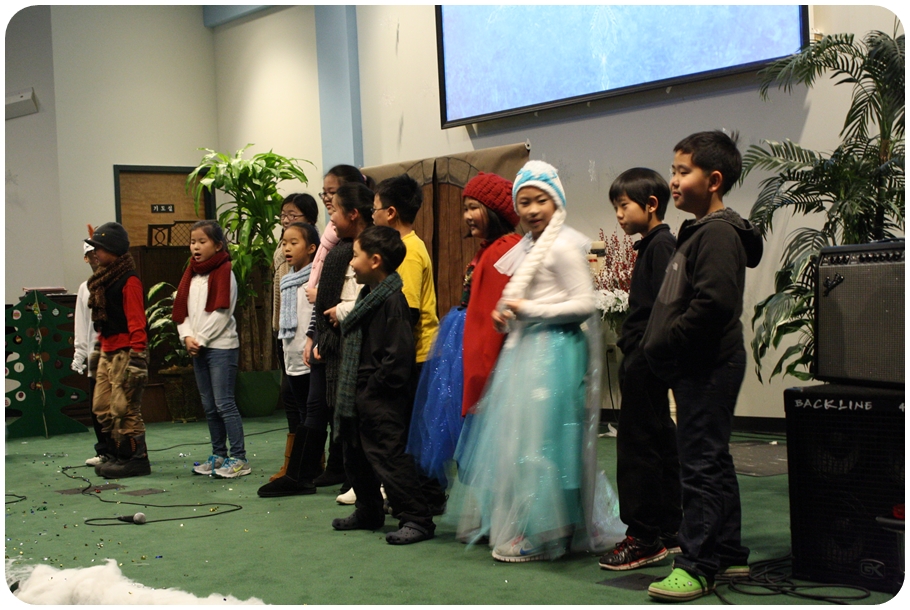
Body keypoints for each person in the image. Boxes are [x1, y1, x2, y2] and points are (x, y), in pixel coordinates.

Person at [446, 160, 622, 562]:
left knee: (548, 442)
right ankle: (537, 523)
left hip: (555, 354)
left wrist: (530, 311)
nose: (532, 209)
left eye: (540, 200)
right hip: (527, 354)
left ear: (557, 201)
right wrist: (508, 317)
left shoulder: (562, 246)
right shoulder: (526, 247)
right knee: (523, 440)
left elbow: (584, 303)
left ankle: (549, 530)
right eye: (524, 202)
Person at [643, 131, 763, 602]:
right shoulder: (701, 231)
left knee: (699, 466)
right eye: (673, 171)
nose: (673, 181)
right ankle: (729, 553)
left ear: (713, 180)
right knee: (713, 458)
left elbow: (714, 305)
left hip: (706, 365)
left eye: (683, 171)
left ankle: (696, 566)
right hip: (701, 364)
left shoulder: (716, 234)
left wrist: (670, 343)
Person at [406, 172, 521, 489]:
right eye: (465, 208)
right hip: (464, 339)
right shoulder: (488, 248)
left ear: (494, 211)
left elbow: (497, 307)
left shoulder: (505, 249)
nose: (467, 216)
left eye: (474, 207)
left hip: (484, 342)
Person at [331, 224, 436, 545]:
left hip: (381, 397)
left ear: (375, 260)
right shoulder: (369, 296)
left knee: (389, 457)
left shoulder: (392, 300)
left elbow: (398, 356)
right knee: (355, 456)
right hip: (360, 393)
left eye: (356, 256)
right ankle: (368, 510)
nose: (351, 263)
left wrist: (373, 388)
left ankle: (417, 518)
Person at [598, 168, 681, 571]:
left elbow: (666, 309)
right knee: (658, 441)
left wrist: (642, 351)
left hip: (647, 361)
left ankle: (644, 537)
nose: (618, 215)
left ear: (650, 205)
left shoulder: (661, 246)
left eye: (623, 205)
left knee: (638, 448)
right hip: (648, 359)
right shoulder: (653, 245)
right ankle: (668, 528)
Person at [310, 166, 374, 496]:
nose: (331, 218)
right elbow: (324, 304)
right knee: (342, 414)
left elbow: (371, 296)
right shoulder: (337, 253)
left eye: (335, 209)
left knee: (361, 416)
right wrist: (323, 337)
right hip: (338, 345)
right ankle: (352, 478)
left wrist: (342, 314)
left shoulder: (369, 248)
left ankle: (364, 481)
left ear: (353, 213)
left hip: (361, 345)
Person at [174, 220, 249, 478]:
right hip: (197, 348)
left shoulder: (225, 272)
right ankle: (219, 455)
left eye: (201, 242)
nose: (195, 247)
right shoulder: (191, 275)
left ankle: (239, 458)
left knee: (224, 403)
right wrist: (186, 337)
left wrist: (201, 339)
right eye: (192, 242)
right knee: (208, 405)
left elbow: (221, 313)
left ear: (217, 245)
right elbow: (181, 310)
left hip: (220, 347)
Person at [258, 222, 325, 497]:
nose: (287, 248)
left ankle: (308, 470)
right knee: (300, 411)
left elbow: (316, 318)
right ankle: (305, 467)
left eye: (294, 243)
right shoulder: (286, 280)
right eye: (284, 243)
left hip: (311, 356)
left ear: (311, 248)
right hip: (291, 356)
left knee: (315, 413)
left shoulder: (316, 281)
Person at [84, 222, 151, 479]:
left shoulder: (129, 281)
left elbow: (137, 321)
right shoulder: (102, 280)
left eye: (99, 248)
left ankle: (136, 459)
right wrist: (99, 349)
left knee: (124, 408)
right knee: (102, 407)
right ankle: (116, 454)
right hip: (107, 350)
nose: (95, 253)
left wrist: (137, 357)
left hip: (126, 351)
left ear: (113, 249)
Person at [269, 193, 320, 481]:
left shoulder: (317, 275)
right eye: (283, 215)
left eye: (293, 215)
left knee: (312, 409)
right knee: (293, 401)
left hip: (310, 349)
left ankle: (308, 464)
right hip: (287, 342)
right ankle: (296, 463)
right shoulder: (286, 268)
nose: (287, 247)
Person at [371, 174, 439, 371]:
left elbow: (407, 312)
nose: (372, 216)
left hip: (418, 355)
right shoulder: (403, 247)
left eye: (374, 209)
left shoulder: (408, 251)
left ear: (390, 213)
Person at [72, 233, 104, 466]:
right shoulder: (85, 288)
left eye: (96, 253)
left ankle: (124, 450)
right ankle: (104, 450)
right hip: (95, 355)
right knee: (97, 406)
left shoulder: (114, 283)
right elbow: (81, 324)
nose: (94, 258)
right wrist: (79, 353)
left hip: (114, 353)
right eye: (89, 255)